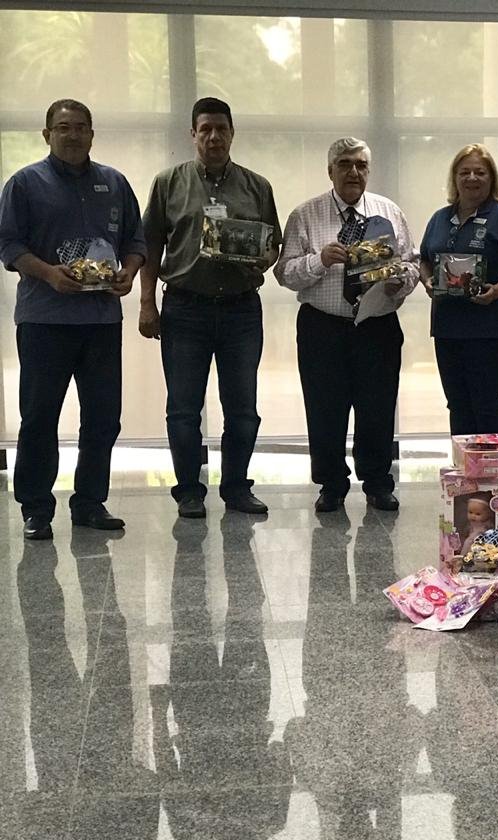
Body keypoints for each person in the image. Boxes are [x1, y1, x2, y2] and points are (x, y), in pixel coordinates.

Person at [0, 99, 146, 540]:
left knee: (103, 417)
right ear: (47, 135)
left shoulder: (115, 183)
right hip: (45, 319)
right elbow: (8, 245)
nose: (73, 134)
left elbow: (135, 240)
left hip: (101, 321)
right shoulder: (24, 183)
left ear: (92, 134)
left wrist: (129, 272)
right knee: (39, 417)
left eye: (81, 127)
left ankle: (89, 503)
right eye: (63, 128)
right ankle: (36, 509)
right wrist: (49, 274)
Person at [140, 96, 281, 520]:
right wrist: (147, 303)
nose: (214, 137)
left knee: (243, 410)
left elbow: (272, 244)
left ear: (232, 133)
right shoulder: (168, 183)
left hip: (241, 310)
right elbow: (149, 245)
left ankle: (236, 488)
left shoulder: (257, 186)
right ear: (193, 134)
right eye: (206, 129)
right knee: (183, 409)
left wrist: (262, 257)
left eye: (221, 129)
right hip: (185, 309)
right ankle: (189, 492)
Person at [275, 137, 419, 514]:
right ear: (330, 171)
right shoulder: (305, 215)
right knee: (325, 409)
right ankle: (331, 485)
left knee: (378, 407)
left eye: (360, 165)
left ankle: (378, 483)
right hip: (323, 327)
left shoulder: (388, 212)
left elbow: (412, 263)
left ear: (368, 170)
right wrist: (320, 260)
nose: (353, 171)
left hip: (377, 325)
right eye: (344, 164)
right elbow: (284, 273)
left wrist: (399, 281)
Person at [421, 144, 498, 435]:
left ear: (491, 178)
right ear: (455, 178)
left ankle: (493, 462)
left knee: (486, 403)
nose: (472, 178)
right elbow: (423, 260)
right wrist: (428, 281)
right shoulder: (439, 218)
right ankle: (463, 463)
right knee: (457, 404)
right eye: (465, 172)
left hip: (490, 328)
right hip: (447, 327)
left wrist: (497, 290)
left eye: (480, 172)